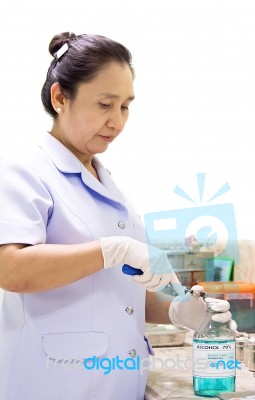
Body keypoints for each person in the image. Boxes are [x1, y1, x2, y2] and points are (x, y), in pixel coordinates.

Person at [0, 32, 233, 400]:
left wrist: (180, 311)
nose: (117, 121)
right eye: (105, 104)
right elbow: (10, 270)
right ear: (61, 98)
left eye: (125, 106)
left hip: (119, 382)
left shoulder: (113, 191)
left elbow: (123, 293)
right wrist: (114, 248)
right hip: (52, 385)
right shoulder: (24, 172)